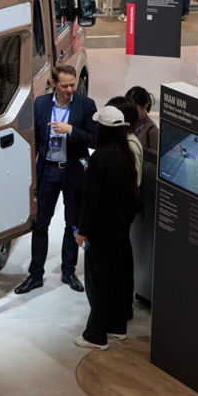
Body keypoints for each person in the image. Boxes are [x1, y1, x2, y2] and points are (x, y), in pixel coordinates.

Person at [14, 65, 96, 296]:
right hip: (49, 170)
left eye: (72, 85)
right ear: (54, 83)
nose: (70, 89)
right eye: (65, 85)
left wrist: (71, 130)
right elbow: (35, 139)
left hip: (73, 171)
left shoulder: (85, 105)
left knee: (72, 223)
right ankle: (35, 274)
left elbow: (95, 138)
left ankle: (68, 270)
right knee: (41, 223)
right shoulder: (40, 104)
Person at [73, 106, 139, 350]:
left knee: (97, 283)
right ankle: (116, 327)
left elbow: (92, 201)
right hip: (120, 230)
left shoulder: (99, 157)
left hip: (100, 233)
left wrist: (82, 232)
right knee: (117, 279)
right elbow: (132, 195)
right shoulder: (127, 154)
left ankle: (96, 335)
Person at [124, 85, 159, 152]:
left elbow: (154, 160)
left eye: (134, 108)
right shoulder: (124, 120)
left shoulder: (152, 131)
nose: (130, 111)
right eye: (128, 107)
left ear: (145, 106)